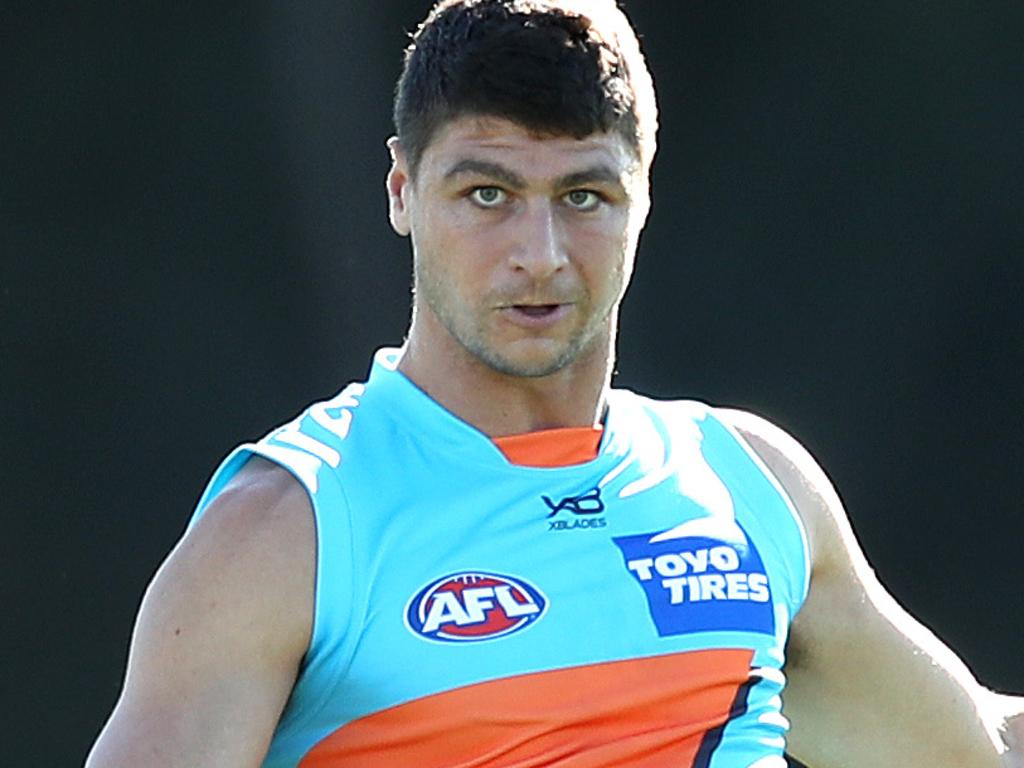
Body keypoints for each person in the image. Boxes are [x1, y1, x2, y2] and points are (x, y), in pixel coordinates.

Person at [86, 1, 1022, 766]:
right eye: (486, 194)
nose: (538, 256)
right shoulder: (288, 529)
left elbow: (973, 746)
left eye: (583, 196)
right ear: (402, 191)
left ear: (644, 195)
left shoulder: (750, 485)